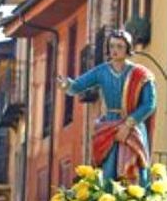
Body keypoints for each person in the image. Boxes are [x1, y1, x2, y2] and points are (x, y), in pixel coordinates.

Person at [58, 29, 157, 185]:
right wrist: (66, 85)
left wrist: (128, 124)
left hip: (133, 126)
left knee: (136, 169)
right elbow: (78, 86)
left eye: (119, 46)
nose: (115, 50)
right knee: (109, 170)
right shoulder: (102, 71)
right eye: (112, 46)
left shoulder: (141, 74)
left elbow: (150, 103)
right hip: (109, 126)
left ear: (128, 49)